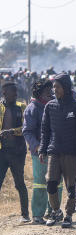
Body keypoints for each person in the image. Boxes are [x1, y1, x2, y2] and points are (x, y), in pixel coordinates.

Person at [39, 74, 76, 228]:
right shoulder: (50, 106)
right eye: (54, 87)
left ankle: (68, 215)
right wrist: (42, 149)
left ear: (66, 88)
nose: (55, 90)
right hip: (54, 151)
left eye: (57, 87)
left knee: (71, 187)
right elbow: (45, 130)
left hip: (71, 153)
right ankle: (56, 211)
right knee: (51, 184)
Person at [22, 79, 59, 224]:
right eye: (47, 91)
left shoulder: (54, 105)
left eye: (51, 90)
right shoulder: (32, 108)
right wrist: (37, 146)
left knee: (56, 183)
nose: (50, 93)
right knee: (40, 183)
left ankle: (54, 212)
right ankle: (37, 215)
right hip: (39, 154)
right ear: (39, 93)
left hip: (55, 151)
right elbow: (27, 131)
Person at [0, 80, 29, 223]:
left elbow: (26, 127)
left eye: (16, 91)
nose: (16, 94)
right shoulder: (0, 108)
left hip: (17, 152)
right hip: (2, 152)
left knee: (19, 183)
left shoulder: (22, 107)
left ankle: (25, 214)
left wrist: (11, 131)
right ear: (4, 93)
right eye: (13, 91)